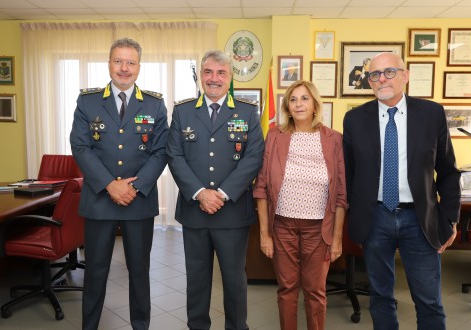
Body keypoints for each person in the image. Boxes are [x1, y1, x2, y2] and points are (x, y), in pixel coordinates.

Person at [342, 52, 461, 330]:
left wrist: (451, 219)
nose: (381, 79)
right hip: (375, 219)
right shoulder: (355, 119)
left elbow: (448, 171)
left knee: (429, 301)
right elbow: (348, 174)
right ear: (369, 82)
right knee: (380, 297)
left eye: (389, 72)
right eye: (374, 74)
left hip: (419, 219)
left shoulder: (431, 114)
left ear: (405, 75)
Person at [69, 37, 168, 330]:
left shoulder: (154, 103)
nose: (124, 68)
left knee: (139, 271)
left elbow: (161, 150)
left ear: (139, 67)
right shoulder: (88, 101)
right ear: (109, 63)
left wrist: (133, 188)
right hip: (100, 200)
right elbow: (80, 147)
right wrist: (110, 185)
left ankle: (141, 326)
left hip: (138, 201)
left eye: (130, 62)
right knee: (96, 271)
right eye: (118, 61)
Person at [166, 50, 264, 330]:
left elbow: (254, 157)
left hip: (231, 212)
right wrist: (200, 193)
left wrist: (221, 194)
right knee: (196, 279)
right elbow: (174, 156)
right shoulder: (183, 111)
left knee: (234, 281)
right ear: (200, 76)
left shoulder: (247, 111)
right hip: (195, 210)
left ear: (230, 77)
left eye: (221, 73)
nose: (214, 79)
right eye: (208, 72)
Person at [253, 80, 346, 330]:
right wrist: (265, 234)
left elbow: (340, 194)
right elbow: (261, 187)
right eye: (293, 100)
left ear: (315, 104)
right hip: (282, 226)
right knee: (287, 289)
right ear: (287, 107)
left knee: (315, 291)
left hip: (319, 229)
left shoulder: (334, 139)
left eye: (305, 98)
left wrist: (337, 238)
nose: (299, 104)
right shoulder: (274, 136)